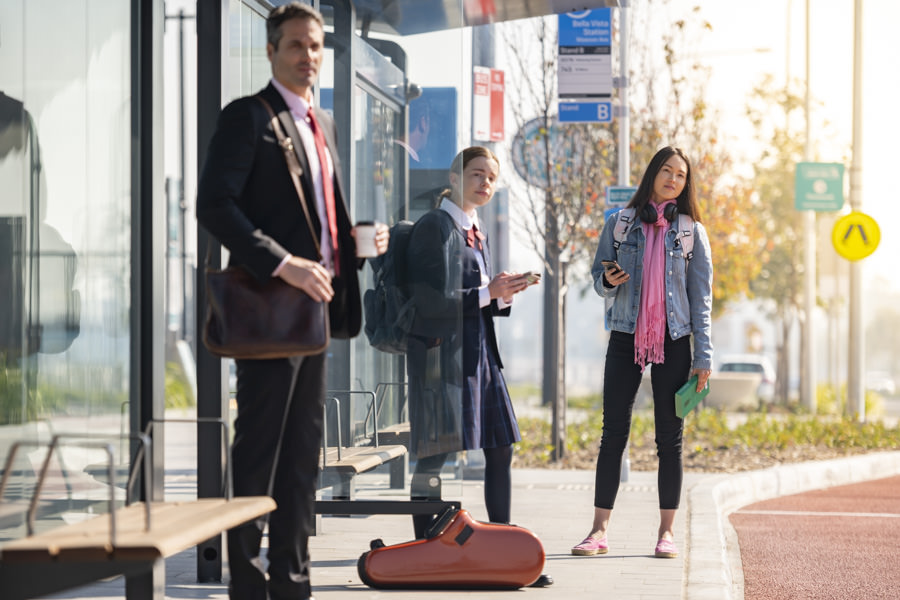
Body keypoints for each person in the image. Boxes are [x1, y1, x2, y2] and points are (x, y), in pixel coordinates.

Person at [196, 4, 388, 600]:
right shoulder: (248, 118)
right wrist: (285, 263)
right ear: (272, 52)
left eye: (316, 46)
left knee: (303, 456)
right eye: (297, 46)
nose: (309, 56)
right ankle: (248, 584)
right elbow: (215, 206)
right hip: (268, 316)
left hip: (315, 315)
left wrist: (358, 242)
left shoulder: (322, 124)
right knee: (258, 451)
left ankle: (292, 581)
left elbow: (317, 219)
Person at [404, 146, 551, 587]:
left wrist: (502, 294)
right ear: (454, 176)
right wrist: (488, 293)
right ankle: (424, 552)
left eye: (491, 177)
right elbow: (428, 302)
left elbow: (476, 300)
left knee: (500, 447)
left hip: (480, 358)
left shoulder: (475, 230)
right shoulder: (435, 226)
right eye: (475, 174)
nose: (484, 183)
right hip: (442, 361)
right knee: (436, 454)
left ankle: (508, 550)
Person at [572, 146, 713, 560]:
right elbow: (598, 280)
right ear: (652, 174)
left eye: (681, 175)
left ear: (686, 184)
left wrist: (703, 355)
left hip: (674, 338)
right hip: (624, 334)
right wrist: (610, 279)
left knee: (669, 439)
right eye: (666, 171)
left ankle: (666, 533)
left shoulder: (690, 231)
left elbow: (700, 297)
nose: (673, 179)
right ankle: (598, 531)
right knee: (612, 433)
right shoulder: (620, 223)